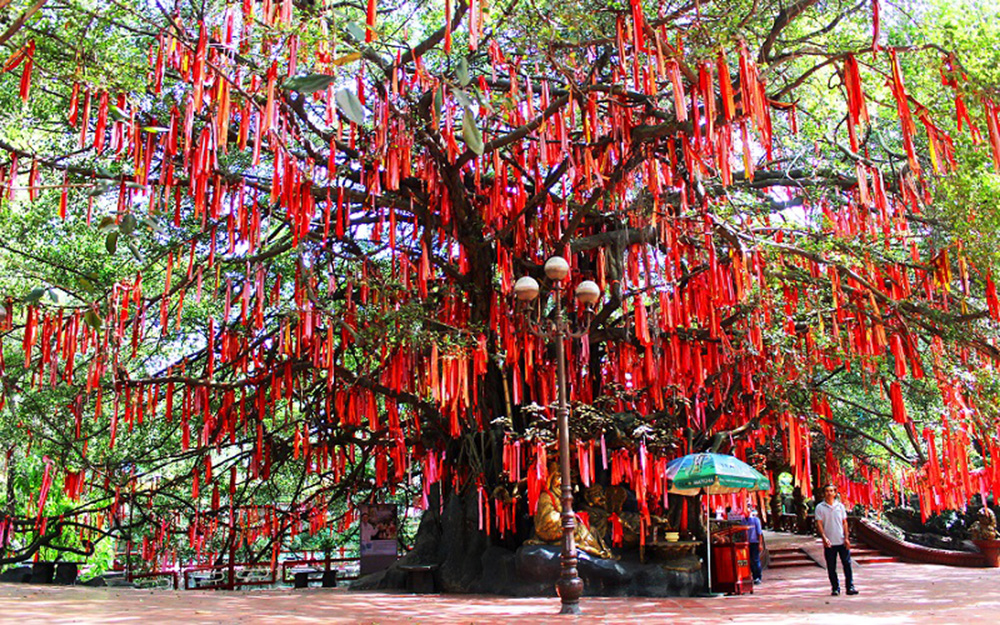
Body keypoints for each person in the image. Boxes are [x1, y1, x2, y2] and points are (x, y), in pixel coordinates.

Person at [815, 484, 858, 596]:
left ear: (835, 493)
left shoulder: (840, 506)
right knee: (831, 566)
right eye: (827, 491)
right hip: (829, 542)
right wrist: (824, 538)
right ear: (824, 493)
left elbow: (844, 523)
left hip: (841, 540)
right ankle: (835, 588)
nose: (829, 493)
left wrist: (847, 538)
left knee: (847, 565)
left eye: (831, 491)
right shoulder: (820, 507)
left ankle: (850, 587)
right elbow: (819, 524)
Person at [746, 508, 764, 584]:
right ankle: (754, 576)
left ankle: (758, 577)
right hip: (746, 543)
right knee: (750, 560)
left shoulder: (755, 520)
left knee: (756, 560)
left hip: (754, 542)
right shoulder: (743, 520)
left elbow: (759, 533)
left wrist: (760, 544)